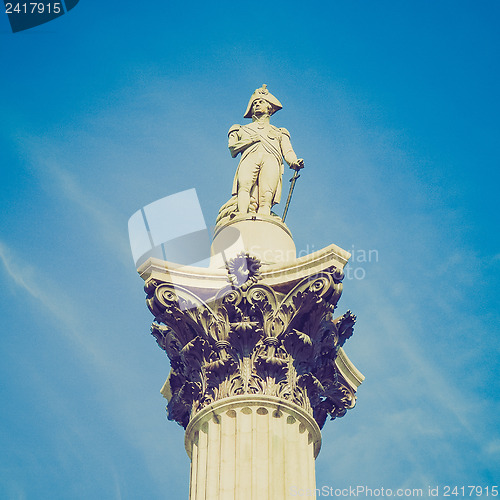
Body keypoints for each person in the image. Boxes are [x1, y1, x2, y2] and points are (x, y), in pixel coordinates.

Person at [228, 85, 304, 216]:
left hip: (271, 159)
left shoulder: (279, 132)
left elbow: (288, 151)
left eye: (261, 102)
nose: (257, 104)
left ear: (269, 107)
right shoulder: (240, 129)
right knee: (244, 187)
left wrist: (294, 162)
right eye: (254, 103)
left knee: (267, 194)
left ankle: (264, 219)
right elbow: (232, 149)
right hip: (250, 157)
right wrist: (251, 140)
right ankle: (241, 214)